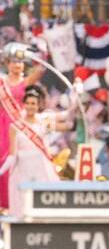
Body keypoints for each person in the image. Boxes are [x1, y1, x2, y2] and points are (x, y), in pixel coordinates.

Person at [3, 84, 69, 221]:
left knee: (42, 202)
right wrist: (1, 170)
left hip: (41, 169)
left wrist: (76, 95)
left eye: (33, 103)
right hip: (22, 170)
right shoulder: (15, 126)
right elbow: (12, 155)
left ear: (38, 105)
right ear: (24, 104)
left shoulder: (43, 121)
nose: (30, 106)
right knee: (23, 206)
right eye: (27, 103)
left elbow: (66, 117)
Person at [0, 51, 43, 214]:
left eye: (20, 62)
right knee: (3, 161)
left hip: (20, 126)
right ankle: (3, 203)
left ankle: (18, 202)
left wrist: (37, 51)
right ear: (7, 64)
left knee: (19, 163)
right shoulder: (2, 83)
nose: (17, 65)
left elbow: (40, 69)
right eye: (13, 62)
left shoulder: (25, 82)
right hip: (2, 125)